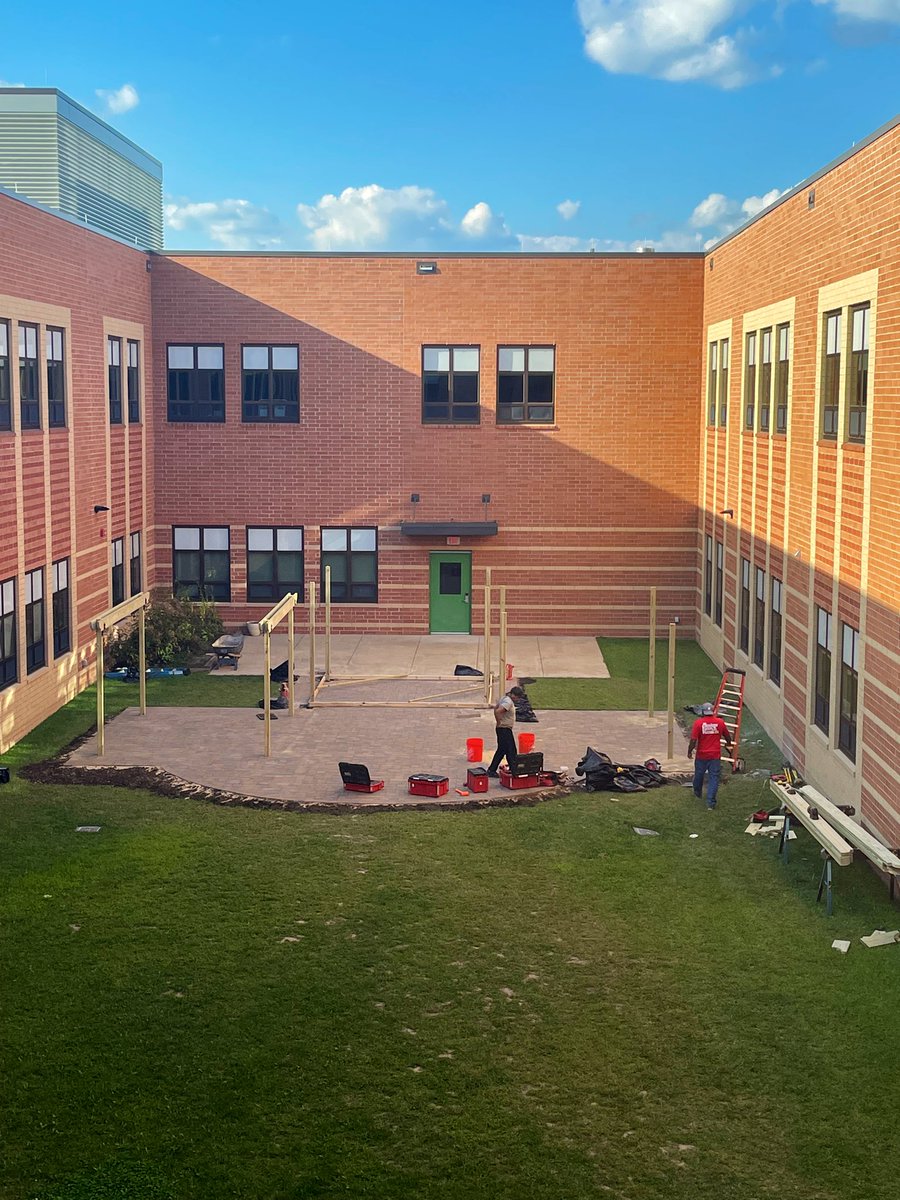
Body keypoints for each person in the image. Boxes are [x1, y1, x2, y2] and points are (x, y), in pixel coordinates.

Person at [687, 702, 734, 809]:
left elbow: (693, 740)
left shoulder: (698, 723)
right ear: (712, 711)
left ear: (703, 712)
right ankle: (710, 803)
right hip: (715, 756)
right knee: (714, 778)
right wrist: (729, 744)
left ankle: (697, 792)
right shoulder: (720, 722)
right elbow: (727, 735)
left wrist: (689, 751)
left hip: (702, 755)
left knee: (699, 775)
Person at [487, 685, 527, 777]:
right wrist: (499, 721)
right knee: (511, 750)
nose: (517, 700)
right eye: (518, 697)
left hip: (502, 728)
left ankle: (492, 769)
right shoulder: (508, 702)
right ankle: (514, 770)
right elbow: (498, 711)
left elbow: (495, 709)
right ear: (514, 695)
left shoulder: (504, 698)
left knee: (501, 750)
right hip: (504, 729)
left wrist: (498, 722)